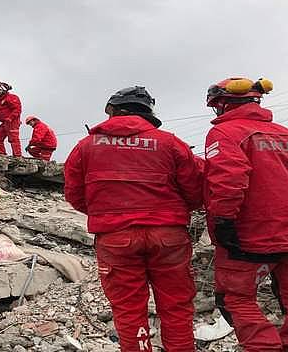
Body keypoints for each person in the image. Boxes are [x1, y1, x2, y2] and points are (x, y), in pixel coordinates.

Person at [64, 86, 203, 352]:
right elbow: (196, 191)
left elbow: (74, 193)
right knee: (176, 306)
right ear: (149, 113)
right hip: (169, 237)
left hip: (116, 239)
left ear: (113, 111)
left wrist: (106, 214)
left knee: (129, 310)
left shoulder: (86, 146)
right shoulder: (170, 142)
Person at [203, 77, 288, 351]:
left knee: (236, 299)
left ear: (222, 105)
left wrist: (223, 221)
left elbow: (228, 179)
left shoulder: (225, 133)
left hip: (250, 237)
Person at [0, 81, 22, 156]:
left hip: (12, 122)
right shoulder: (1, 100)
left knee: (13, 139)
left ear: (4, 89)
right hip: (5, 122)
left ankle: (17, 156)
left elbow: (17, 109)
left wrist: (10, 118)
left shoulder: (11, 97)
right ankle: (1, 154)